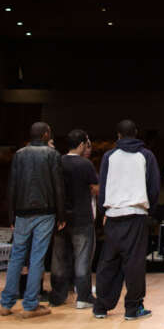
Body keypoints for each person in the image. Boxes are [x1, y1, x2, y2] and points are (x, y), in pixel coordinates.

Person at [94, 119, 160, 321]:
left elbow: (103, 186)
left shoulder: (109, 156)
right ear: (136, 133)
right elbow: (154, 188)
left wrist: (103, 210)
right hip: (136, 215)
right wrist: (150, 211)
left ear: (118, 135)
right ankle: (133, 308)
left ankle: (101, 307)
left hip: (113, 214)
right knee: (134, 263)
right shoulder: (146, 155)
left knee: (109, 261)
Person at [0, 122, 66, 319]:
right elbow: (58, 187)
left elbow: (12, 186)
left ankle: (6, 303)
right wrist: (61, 215)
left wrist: (11, 214)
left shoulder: (19, 154)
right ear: (46, 135)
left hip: (21, 212)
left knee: (17, 256)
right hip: (45, 211)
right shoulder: (52, 155)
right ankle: (30, 305)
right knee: (37, 257)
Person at [49, 129, 98, 309]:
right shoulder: (85, 165)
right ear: (81, 144)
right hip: (82, 217)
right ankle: (83, 297)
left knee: (59, 258)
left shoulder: (58, 161)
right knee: (82, 258)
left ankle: (57, 296)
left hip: (61, 217)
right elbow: (95, 187)